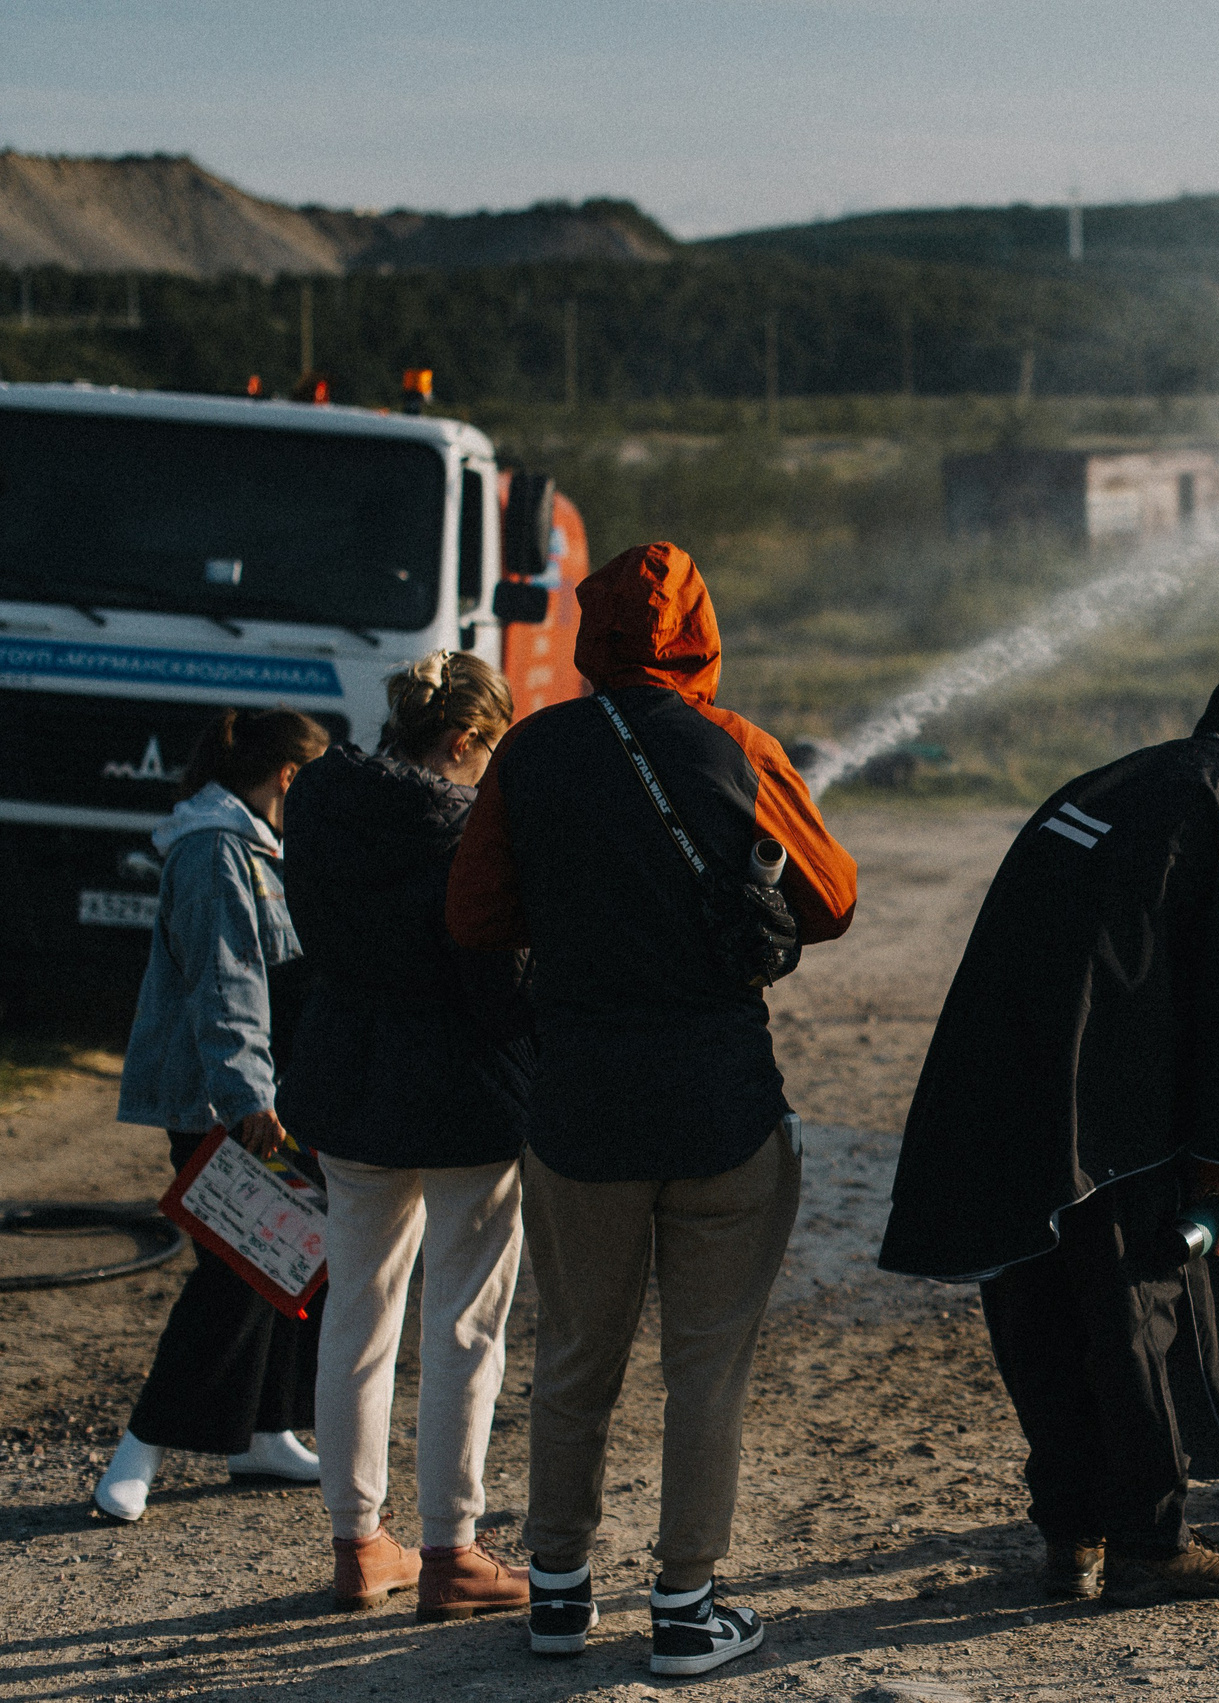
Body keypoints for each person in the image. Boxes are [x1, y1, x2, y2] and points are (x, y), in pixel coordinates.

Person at [448, 541, 858, 1679]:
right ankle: (684, 1606)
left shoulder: (532, 749)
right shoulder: (739, 746)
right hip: (722, 1105)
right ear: (701, 637)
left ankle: (557, 1594)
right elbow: (832, 900)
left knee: (576, 1356)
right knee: (705, 1368)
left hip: (580, 1103)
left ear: (592, 635)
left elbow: (474, 917)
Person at [878, 669, 1219, 1605]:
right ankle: (1149, 1541)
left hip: (1004, 1078)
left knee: (1037, 1300)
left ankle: (1071, 1531)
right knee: (1132, 1305)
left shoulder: (1109, 781)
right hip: (1116, 1103)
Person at [281, 652, 535, 1619]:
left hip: (349, 1078)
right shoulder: (469, 829)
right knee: (464, 1324)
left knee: (356, 1314)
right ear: (464, 738)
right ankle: (451, 1551)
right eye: (493, 749)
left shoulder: (320, 803)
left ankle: (358, 1544)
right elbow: (496, 977)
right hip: (466, 1096)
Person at [96, 707, 333, 1523]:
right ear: (290, 778)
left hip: (261, 1095)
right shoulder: (213, 851)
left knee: (287, 1263)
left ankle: (262, 1432)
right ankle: (140, 1448)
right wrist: (248, 1100)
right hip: (221, 1102)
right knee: (235, 1274)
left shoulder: (257, 847)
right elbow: (225, 982)